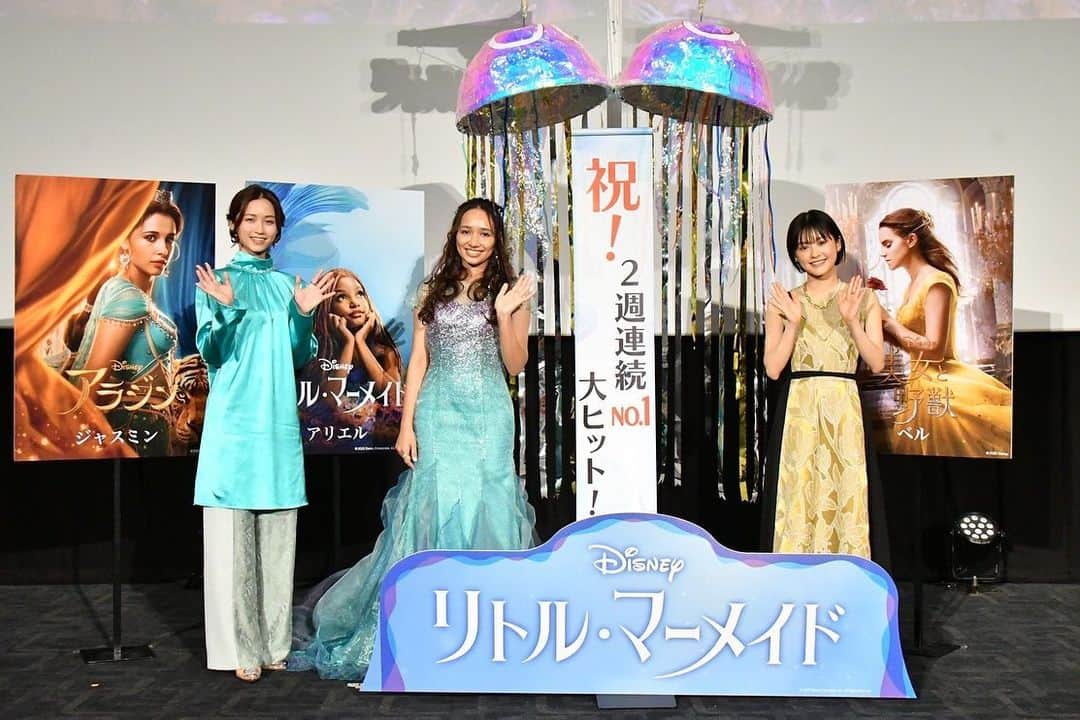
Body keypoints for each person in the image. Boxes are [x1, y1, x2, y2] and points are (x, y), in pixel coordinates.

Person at [289, 197, 538, 680]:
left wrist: (506, 313)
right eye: (466, 231)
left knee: (488, 505)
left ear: (496, 241)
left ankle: (487, 631)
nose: (474, 241)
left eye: (484, 233)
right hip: (438, 413)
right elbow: (419, 359)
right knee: (433, 505)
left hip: (488, 417)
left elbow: (514, 364)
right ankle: (429, 629)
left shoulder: (511, 292)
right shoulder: (432, 289)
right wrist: (406, 424)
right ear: (454, 235)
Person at [193, 184, 335, 682]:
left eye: (268, 220)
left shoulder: (286, 284)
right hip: (234, 425)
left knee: (277, 538)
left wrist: (302, 314)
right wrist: (227, 307)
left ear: (278, 229)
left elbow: (298, 355)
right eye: (250, 219)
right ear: (234, 224)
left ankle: (275, 644)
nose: (259, 228)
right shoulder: (217, 280)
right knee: (234, 544)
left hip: (276, 424)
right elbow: (212, 352)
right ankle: (240, 649)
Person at [760, 209, 888, 561]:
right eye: (804, 247)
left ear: (837, 244)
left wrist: (852, 320)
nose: (815, 253)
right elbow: (773, 369)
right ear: (795, 254)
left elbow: (876, 362)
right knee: (799, 490)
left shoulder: (863, 298)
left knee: (846, 489)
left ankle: (847, 571)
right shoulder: (785, 301)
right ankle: (794, 573)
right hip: (799, 408)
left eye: (821, 242)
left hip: (844, 406)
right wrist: (793, 323)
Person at [877, 208, 1012, 457]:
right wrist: (879, 323)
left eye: (887, 244)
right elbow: (913, 347)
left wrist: (889, 322)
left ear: (911, 240)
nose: (882, 253)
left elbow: (934, 349)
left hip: (941, 384)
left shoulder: (936, 282)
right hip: (919, 387)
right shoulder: (913, 285)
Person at [67, 189, 182, 455]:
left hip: (147, 427)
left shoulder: (125, 290)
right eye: (151, 237)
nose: (163, 249)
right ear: (124, 242)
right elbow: (90, 385)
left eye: (169, 239)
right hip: (134, 429)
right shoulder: (128, 297)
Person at [302, 269, 404, 449]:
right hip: (327, 445)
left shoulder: (384, 350)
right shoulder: (318, 350)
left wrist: (361, 343)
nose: (354, 303)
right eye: (341, 297)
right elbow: (331, 400)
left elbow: (393, 396)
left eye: (359, 294)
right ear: (327, 307)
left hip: (371, 445)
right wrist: (349, 344)